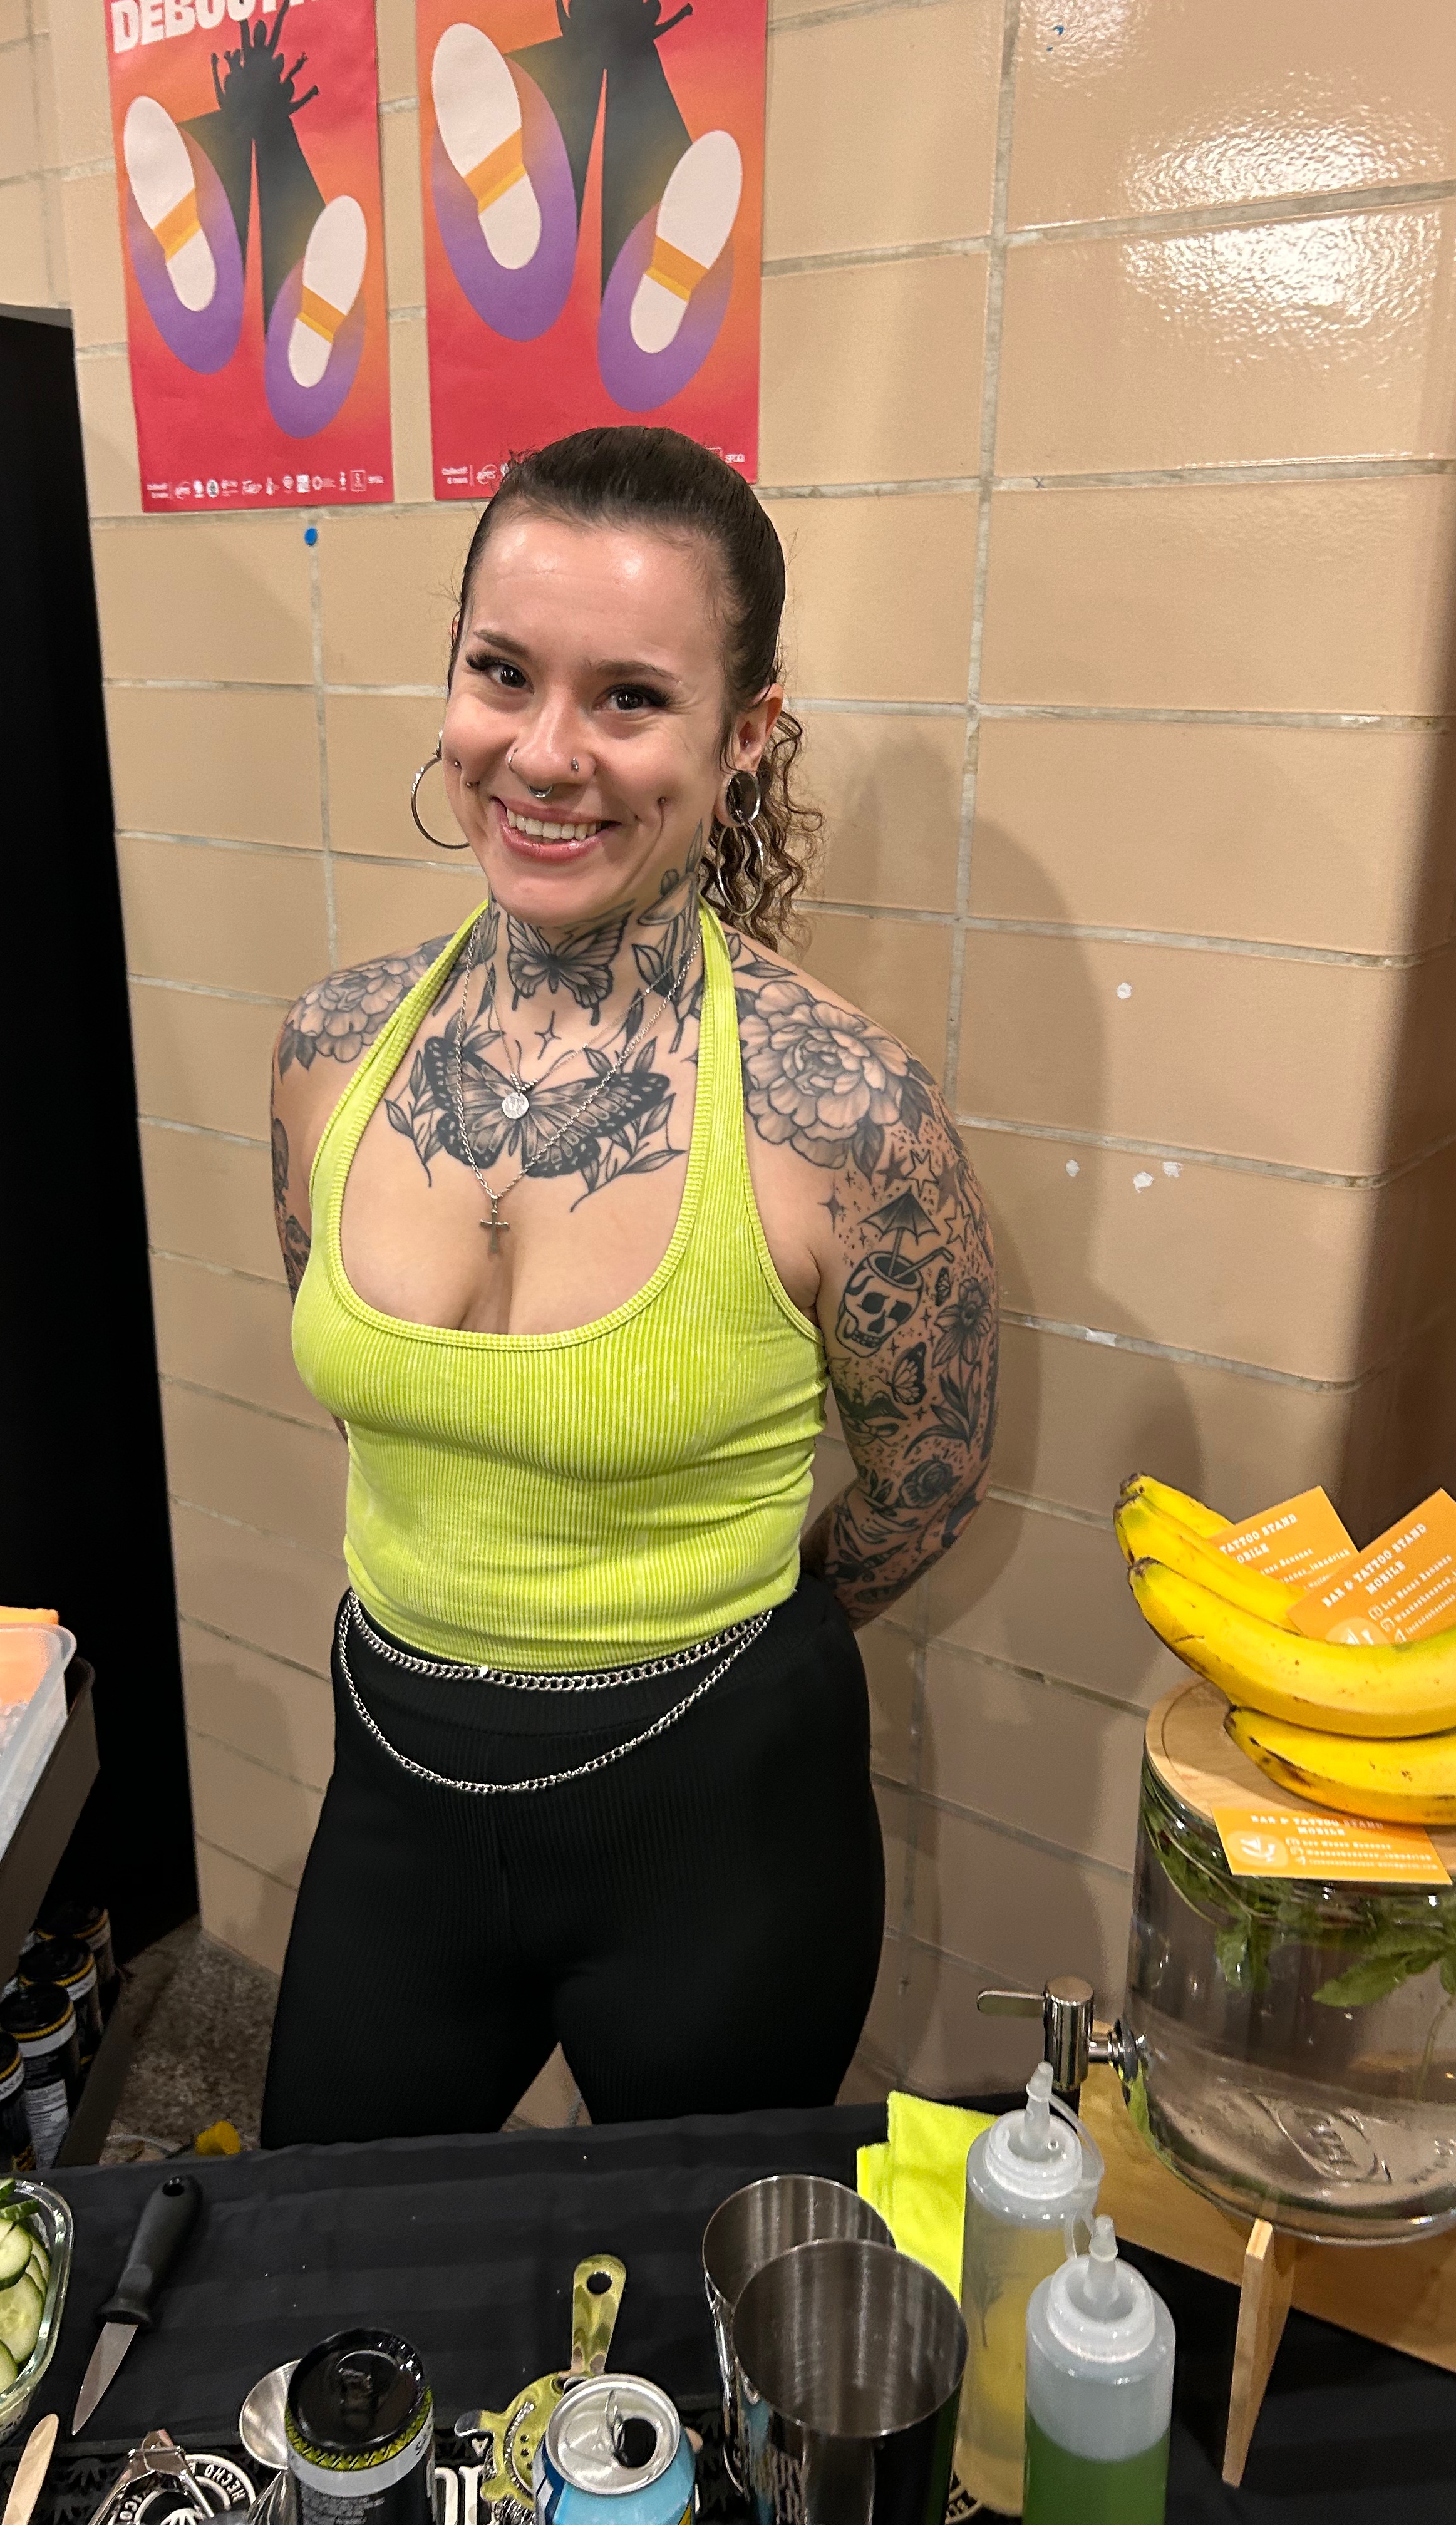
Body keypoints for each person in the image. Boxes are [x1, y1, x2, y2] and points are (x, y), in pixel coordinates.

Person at [259, 425, 998, 2144]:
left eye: (631, 699)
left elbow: (927, 1485)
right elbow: (373, 1399)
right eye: (502, 673)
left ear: (745, 737)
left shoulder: (843, 1117)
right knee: (313, 2251)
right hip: (399, 1772)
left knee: (694, 2280)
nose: (545, 754)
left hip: (721, 1821)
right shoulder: (329, 1051)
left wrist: (690, 1656)